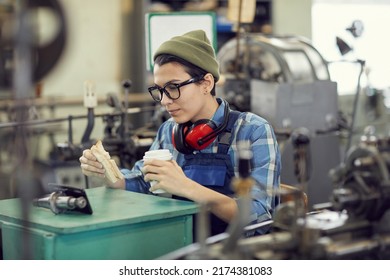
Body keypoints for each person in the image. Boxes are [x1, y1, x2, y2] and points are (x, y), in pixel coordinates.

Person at [79, 29, 281, 236]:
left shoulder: (252, 130)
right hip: (182, 246)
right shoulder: (169, 131)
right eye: (160, 90)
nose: (165, 100)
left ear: (206, 83)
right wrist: (111, 176)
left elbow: (259, 216)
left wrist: (187, 187)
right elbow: (144, 181)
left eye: (173, 87)